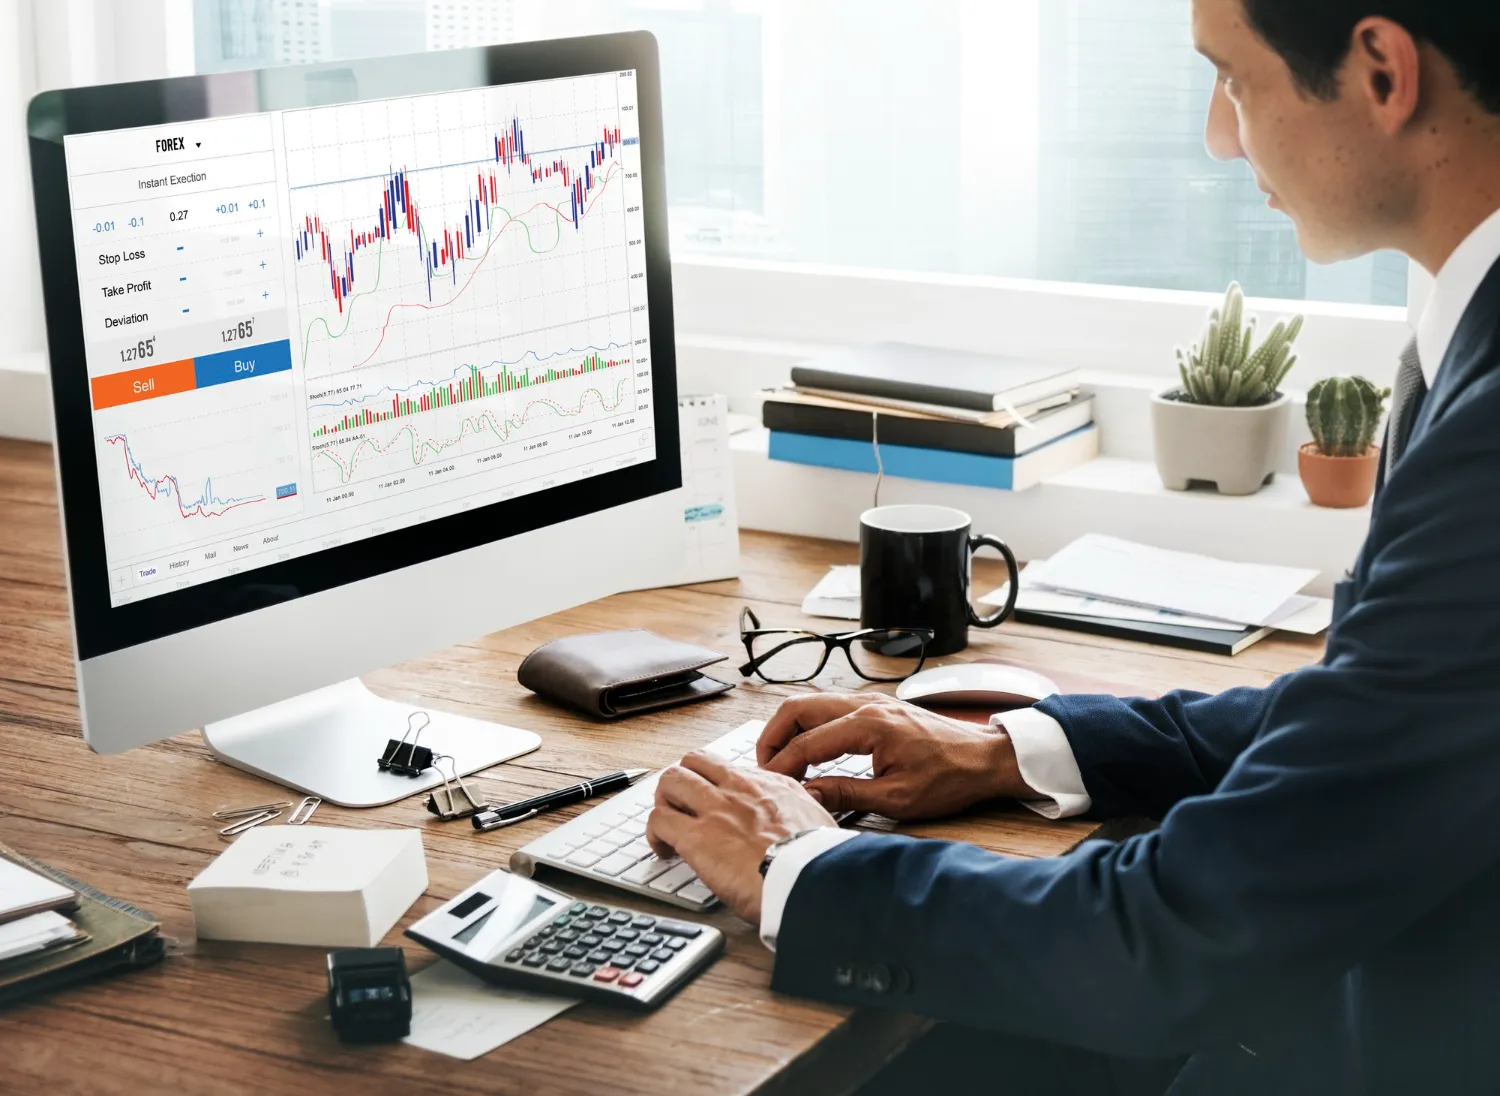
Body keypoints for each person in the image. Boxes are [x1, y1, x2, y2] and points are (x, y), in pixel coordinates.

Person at [644, 1, 1500, 1092]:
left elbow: (1178, 940)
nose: (1218, 136)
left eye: (1232, 78)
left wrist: (798, 865)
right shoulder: (1466, 327)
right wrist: (1017, 750)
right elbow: (1381, 714)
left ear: (1382, 72)